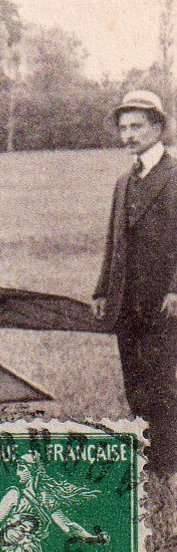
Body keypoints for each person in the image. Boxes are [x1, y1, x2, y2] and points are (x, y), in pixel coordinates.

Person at [92, 90, 177, 477]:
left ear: (158, 127)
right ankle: (150, 454)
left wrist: (176, 289)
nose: (128, 135)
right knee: (135, 380)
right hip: (126, 300)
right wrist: (101, 290)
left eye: (137, 126)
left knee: (164, 378)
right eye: (123, 128)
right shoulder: (123, 181)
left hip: (164, 300)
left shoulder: (174, 176)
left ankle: (168, 462)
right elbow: (114, 241)